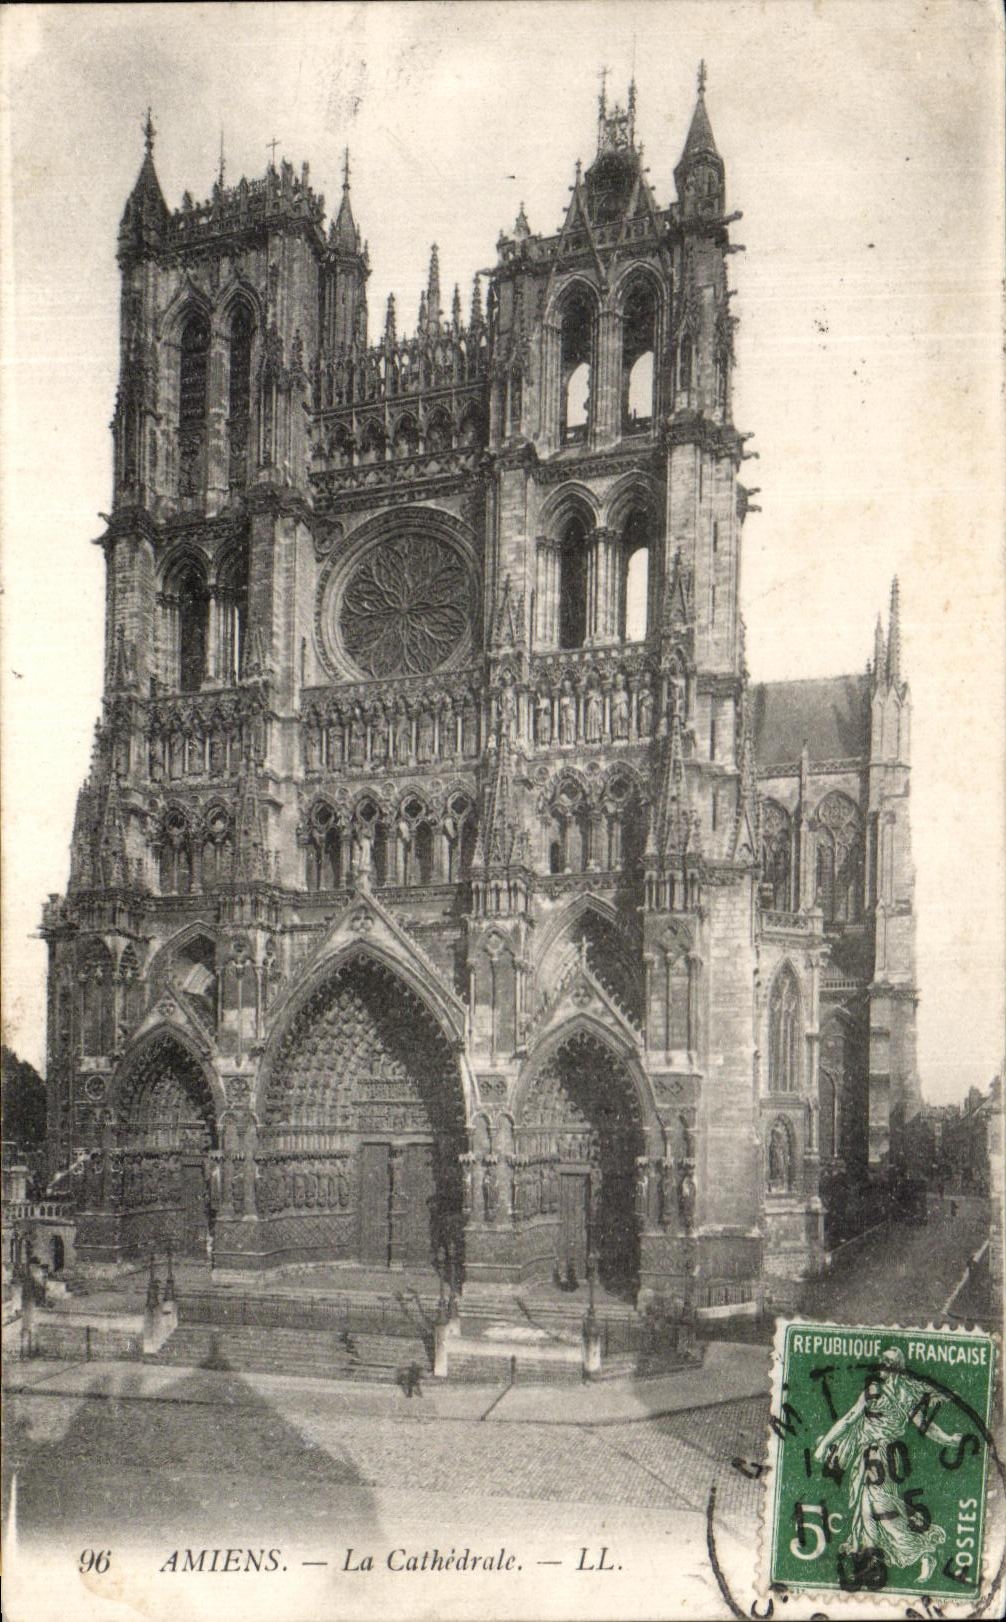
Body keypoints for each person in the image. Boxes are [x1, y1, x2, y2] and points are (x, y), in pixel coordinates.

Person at [812, 1346, 962, 1583]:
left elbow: (925, 1426)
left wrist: (948, 1439)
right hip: (869, 1456)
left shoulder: (904, 1396)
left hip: (883, 1457)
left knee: (881, 1509)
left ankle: (922, 1552)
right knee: (867, 1511)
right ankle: (871, 1562)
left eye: (888, 1361)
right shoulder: (875, 1390)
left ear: (897, 1367)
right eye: (882, 1359)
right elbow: (849, 1418)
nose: (882, 1364)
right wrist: (825, 1444)